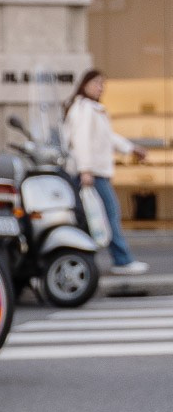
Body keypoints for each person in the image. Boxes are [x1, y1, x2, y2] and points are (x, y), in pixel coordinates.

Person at [61, 69, 148, 274]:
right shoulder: (84, 109)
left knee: (93, 218)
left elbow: (108, 137)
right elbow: (80, 141)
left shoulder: (92, 108)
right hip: (91, 174)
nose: (100, 88)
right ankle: (122, 260)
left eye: (102, 85)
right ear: (85, 84)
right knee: (109, 214)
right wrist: (86, 170)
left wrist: (131, 148)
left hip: (93, 172)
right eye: (96, 83)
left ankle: (86, 261)